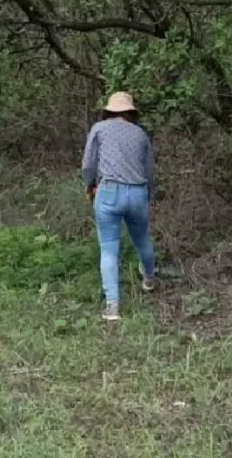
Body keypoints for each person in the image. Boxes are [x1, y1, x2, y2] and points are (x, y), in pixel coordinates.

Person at [81, 92, 157, 321]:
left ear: (109, 111)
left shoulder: (99, 128)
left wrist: (89, 185)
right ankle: (150, 279)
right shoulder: (141, 134)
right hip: (137, 192)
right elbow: (150, 171)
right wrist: (148, 194)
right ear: (130, 112)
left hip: (109, 192)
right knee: (142, 239)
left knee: (108, 247)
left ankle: (112, 306)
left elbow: (88, 164)